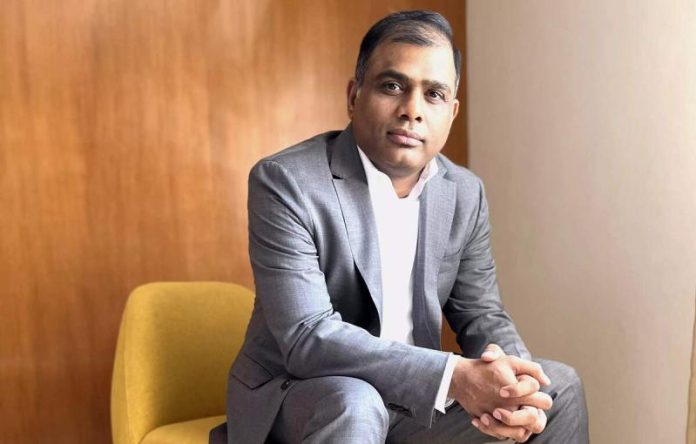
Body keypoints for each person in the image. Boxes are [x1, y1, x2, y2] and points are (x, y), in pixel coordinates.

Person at [212, 10, 588, 444]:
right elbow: (307, 337)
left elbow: (481, 313)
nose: (412, 110)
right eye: (392, 86)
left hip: (413, 400)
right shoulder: (287, 181)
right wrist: (453, 375)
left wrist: (516, 385)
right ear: (354, 96)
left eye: (434, 94)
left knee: (557, 390)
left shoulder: (464, 192)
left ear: (452, 111)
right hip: (302, 397)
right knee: (357, 403)